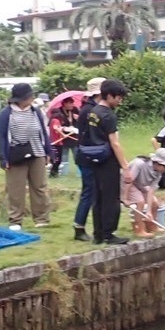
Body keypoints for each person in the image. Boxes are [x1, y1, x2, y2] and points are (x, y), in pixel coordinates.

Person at [79, 79, 130, 245]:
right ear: (109, 95)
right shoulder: (108, 115)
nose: (120, 101)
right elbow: (115, 143)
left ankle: (98, 234)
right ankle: (109, 234)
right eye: (118, 98)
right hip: (108, 160)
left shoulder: (93, 112)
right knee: (110, 198)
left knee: (98, 197)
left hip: (94, 158)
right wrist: (125, 167)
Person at [0, 82, 53, 231]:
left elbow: (43, 132)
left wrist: (48, 151)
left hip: (37, 152)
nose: (32, 98)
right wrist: (3, 158)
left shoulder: (35, 111)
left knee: (39, 187)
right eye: (29, 96)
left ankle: (41, 218)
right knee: (16, 189)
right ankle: (15, 220)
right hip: (16, 155)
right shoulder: (6, 114)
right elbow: (2, 137)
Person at [72, 77, 105, 241]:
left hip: (90, 154)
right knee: (89, 191)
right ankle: (79, 226)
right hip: (88, 156)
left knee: (93, 191)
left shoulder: (90, 108)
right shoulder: (90, 110)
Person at [124, 148, 165, 238]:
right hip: (127, 184)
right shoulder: (139, 164)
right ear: (157, 163)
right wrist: (125, 198)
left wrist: (148, 212)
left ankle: (151, 226)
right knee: (140, 202)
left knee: (155, 203)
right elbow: (129, 181)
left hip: (139, 185)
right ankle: (139, 230)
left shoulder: (158, 173)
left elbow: (151, 191)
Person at [49, 103, 80, 177]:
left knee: (76, 155)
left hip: (71, 138)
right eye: (69, 103)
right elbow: (56, 127)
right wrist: (63, 133)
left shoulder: (75, 111)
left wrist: (76, 120)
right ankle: (60, 173)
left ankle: (56, 173)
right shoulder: (56, 120)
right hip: (60, 141)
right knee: (62, 157)